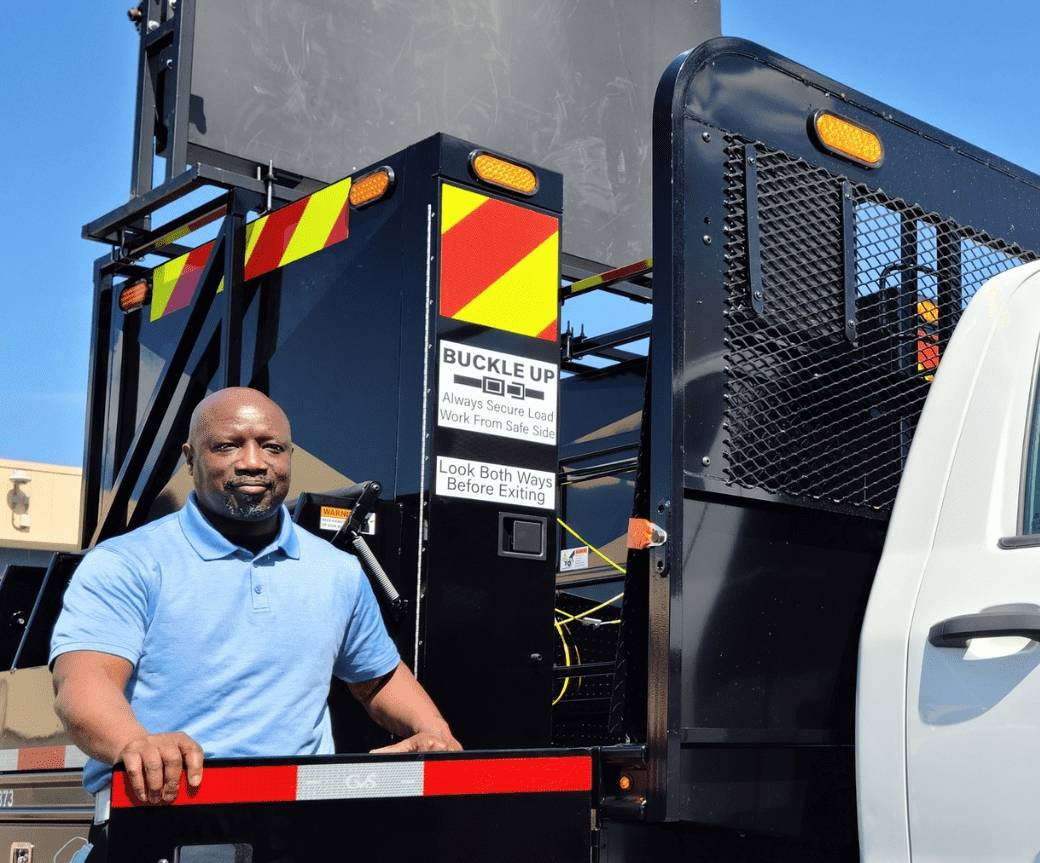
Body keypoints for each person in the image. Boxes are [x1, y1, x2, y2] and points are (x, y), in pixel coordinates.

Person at [50, 387, 460, 807]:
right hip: (163, 809)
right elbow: (85, 682)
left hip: (299, 819)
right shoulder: (127, 562)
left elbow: (377, 678)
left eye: (272, 447)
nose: (252, 462)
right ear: (190, 459)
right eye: (228, 446)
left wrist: (433, 731)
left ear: (288, 458)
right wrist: (135, 743)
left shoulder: (336, 570)